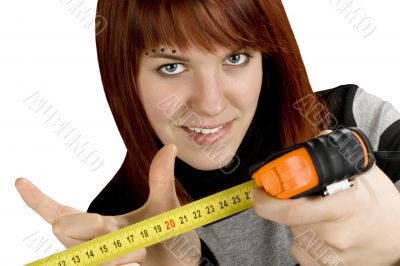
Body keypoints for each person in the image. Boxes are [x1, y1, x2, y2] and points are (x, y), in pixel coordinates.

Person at [15, 1, 400, 265]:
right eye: (171, 67)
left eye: (235, 58)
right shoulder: (116, 230)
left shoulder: (358, 121)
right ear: (124, 76)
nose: (210, 103)